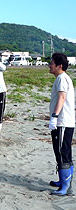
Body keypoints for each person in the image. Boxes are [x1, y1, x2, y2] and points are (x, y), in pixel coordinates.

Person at [48, 53, 74, 196]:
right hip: (65, 122)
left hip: (62, 122)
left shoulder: (62, 78)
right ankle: (63, 181)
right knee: (64, 152)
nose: (49, 65)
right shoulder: (61, 78)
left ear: (59, 66)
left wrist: (54, 117)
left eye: (51, 63)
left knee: (63, 153)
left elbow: (62, 97)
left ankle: (64, 187)